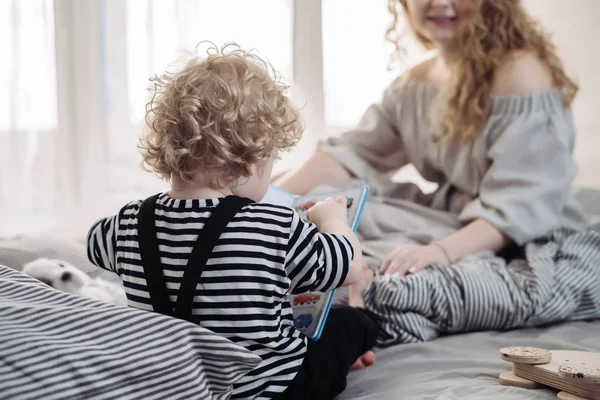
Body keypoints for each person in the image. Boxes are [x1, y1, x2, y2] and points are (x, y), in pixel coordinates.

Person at [277, 0, 600, 345]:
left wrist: (440, 252)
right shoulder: (417, 83)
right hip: (455, 216)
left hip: (525, 234)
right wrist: (269, 199)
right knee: (333, 213)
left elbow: (519, 206)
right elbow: (351, 155)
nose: (440, 3)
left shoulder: (520, 72)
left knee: (378, 270)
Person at [87, 43, 377, 400]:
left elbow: (93, 244)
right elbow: (349, 266)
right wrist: (333, 221)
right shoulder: (276, 225)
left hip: (175, 389)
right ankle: (357, 323)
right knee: (352, 323)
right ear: (250, 162)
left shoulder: (127, 223)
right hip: (275, 390)